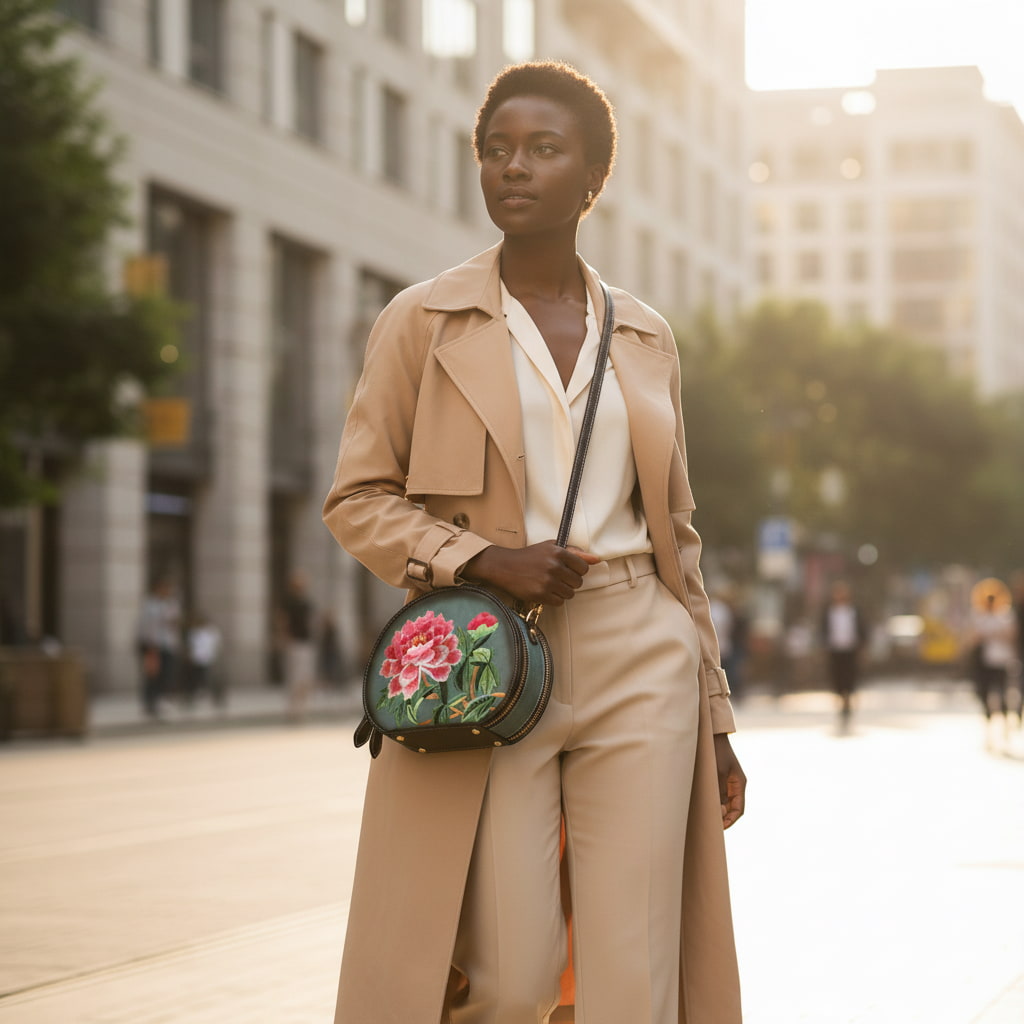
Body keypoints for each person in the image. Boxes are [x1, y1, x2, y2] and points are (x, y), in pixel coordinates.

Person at [323, 62, 746, 1024]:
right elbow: (356, 499)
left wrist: (714, 713)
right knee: (508, 977)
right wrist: (477, 561)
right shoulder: (421, 321)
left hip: (643, 645)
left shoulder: (644, 335)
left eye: (544, 150)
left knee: (630, 974)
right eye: (496, 149)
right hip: (492, 658)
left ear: (593, 179)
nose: (514, 168)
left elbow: (679, 534)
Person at [968, 590, 1018, 739]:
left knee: (1002, 693)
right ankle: (989, 727)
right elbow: (972, 637)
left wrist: (990, 634)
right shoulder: (979, 617)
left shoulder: (1005, 616)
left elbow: (1011, 635)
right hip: (984, 662)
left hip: (1002, 661)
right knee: (985, 694)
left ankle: (1005, 726)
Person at [820, 580, 867, 730]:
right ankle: (841, 703)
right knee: (837, 679)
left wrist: (862, 647)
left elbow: (863, 630)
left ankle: (847, 705)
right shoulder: (829, 612)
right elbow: (823, 631)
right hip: (835, 650)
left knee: (850, 679)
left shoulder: (854, 611)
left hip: (850, 650)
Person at [137, 579, 181, 719]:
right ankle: (150, 703)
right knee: (152, 675)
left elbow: (175, 622)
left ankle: (162, 701)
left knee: (167, 674)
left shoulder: (171, 604)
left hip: (168, 644)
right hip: (153, 645)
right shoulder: (150, 605)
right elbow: (146, 626)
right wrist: (150, 644)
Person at [281, 570, 317, 722]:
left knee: (305, 678)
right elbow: (282, 620)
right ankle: (293, 709)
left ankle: (302, 709)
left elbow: (312, 622)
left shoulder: (306, 602)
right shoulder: (288, 602)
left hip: (306, 642)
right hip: (294, 643)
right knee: (295, 678)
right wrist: (284, 638)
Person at [184, 611, 223, 709]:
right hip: (196, 659)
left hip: (207, 658)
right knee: (195, 678)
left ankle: (214, 696)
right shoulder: (194, 632)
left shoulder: (211, 631)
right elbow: (191, 646)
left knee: (207, 678)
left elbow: (216, 644)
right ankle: (193, 696)